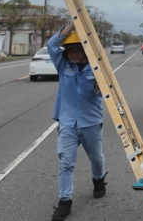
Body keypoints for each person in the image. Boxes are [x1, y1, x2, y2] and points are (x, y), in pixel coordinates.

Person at [47, 24, 107, 221]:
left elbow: (109, 88)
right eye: (70, 50)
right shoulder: (64, 66)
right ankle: (65, 201)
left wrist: (101, 85)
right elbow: (51, 45)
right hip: (68, 123)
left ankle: (99, 181)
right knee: (66, 162)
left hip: (90, 122)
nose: (72, 53)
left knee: (96, 159)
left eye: (76, 49)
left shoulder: (97, 67)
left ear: (84, 50)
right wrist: (71, 26)